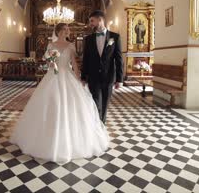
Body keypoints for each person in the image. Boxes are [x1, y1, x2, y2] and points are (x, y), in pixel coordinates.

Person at [10, 23, 109, 163]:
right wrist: (55, 70)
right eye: (66, 29)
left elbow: (74, 64)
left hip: (68, 76)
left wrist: (79, 78)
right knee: (52, 103)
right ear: (59, 31)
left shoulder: (71, 46)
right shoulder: (51, 45)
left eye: (68, 29)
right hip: (54, 75)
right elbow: (51, 64)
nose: (68, 31)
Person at [81, 10, 124, 123]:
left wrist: (120, 79)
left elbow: (119, 59)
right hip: (93, 77)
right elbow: (85, 59)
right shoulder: (88, 39)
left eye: (92, 21)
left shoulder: (115, 37)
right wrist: (83, 76)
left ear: (100, 20)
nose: (90, 24)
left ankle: (102, 125)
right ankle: (96, 125)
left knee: (104, 104)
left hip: (108, 77)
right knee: (96, 103)